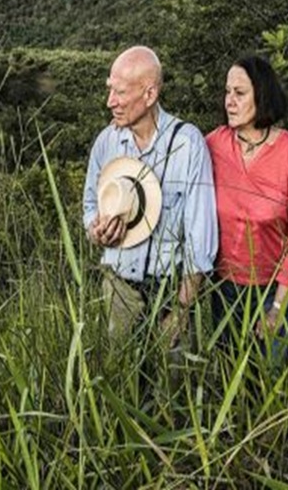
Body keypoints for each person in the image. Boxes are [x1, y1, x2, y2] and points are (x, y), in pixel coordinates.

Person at [83, 45, 218, 346]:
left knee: (174, 384)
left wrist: (182, 309)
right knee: (124, 383)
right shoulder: (106, 142)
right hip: (118, 288)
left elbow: (201, 237)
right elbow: (90, 207)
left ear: (150, 94)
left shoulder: (188, 144)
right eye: (109, 90)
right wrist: (96, 231)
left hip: (173, 292)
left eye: (119, 92)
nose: (110, 102)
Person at [205, 54, 288, 359]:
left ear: (261, 96)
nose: (229, 101)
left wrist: (277, 307)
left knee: (271, 380)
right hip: (223, 289)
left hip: (274, 287)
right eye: (227, 92)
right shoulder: (213, 144)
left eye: (239, 94)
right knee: (229, 377)